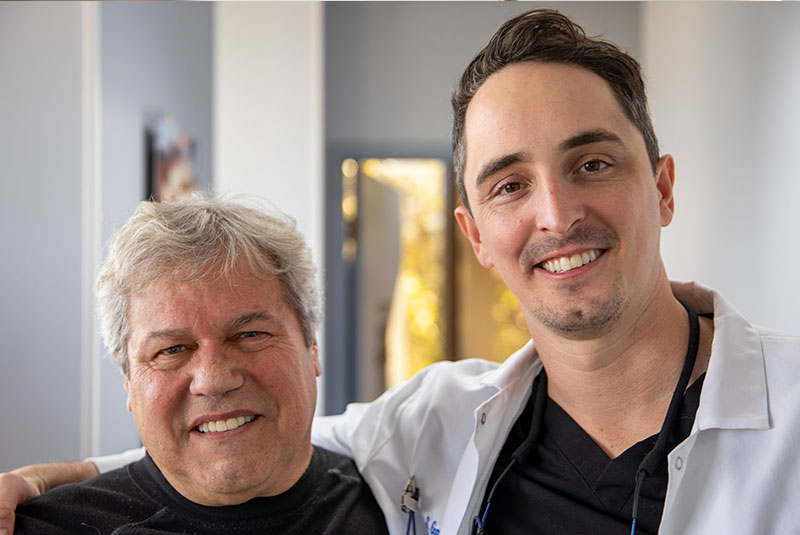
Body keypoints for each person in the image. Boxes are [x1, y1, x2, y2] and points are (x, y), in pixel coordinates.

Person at [3, 8, 800, 535]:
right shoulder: (437, 421)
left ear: (662, 186)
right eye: (509, 184)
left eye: (592, 162)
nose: (555, 215)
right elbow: (254, 438)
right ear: (476, 234)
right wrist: (45, 486)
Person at [7, 196, 389, 534]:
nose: (213, 379)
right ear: (128, 381)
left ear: (312, 349)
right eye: (172, 349)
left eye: (249, 335)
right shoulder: (42, 526)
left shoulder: (397, 501)